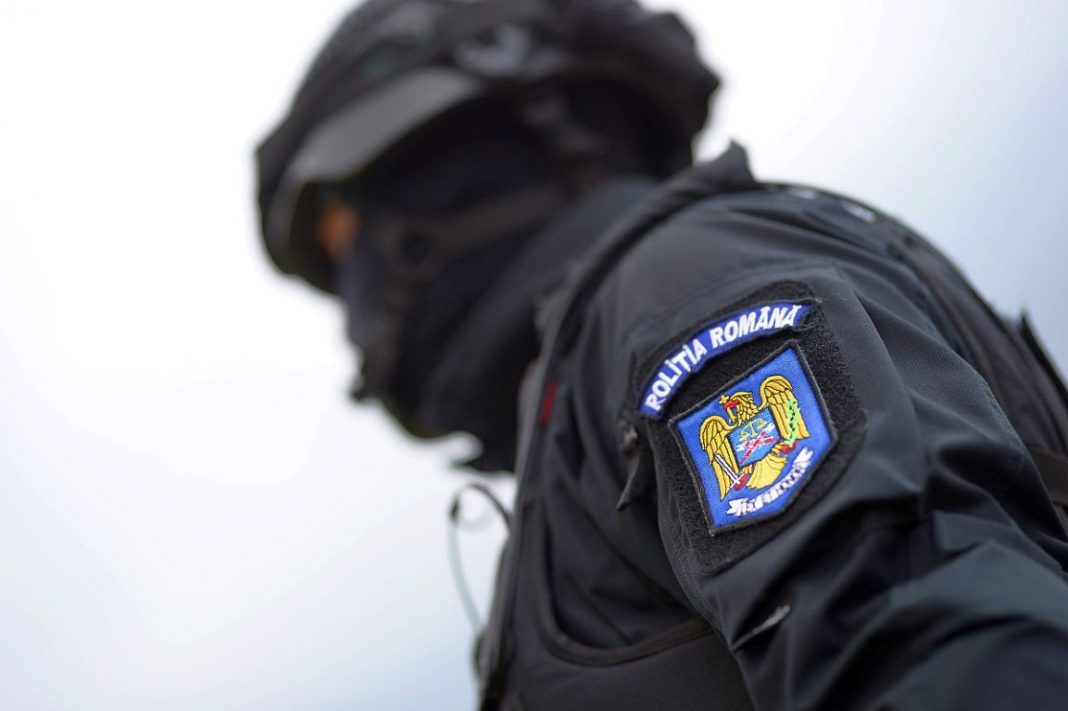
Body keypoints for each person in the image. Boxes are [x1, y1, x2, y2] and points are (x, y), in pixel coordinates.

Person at [255, 0, 1068, 708]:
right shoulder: (585, 402)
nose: (354, 304)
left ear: (454, 160)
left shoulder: (684, 285)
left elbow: (949, 652)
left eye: (342, 232)